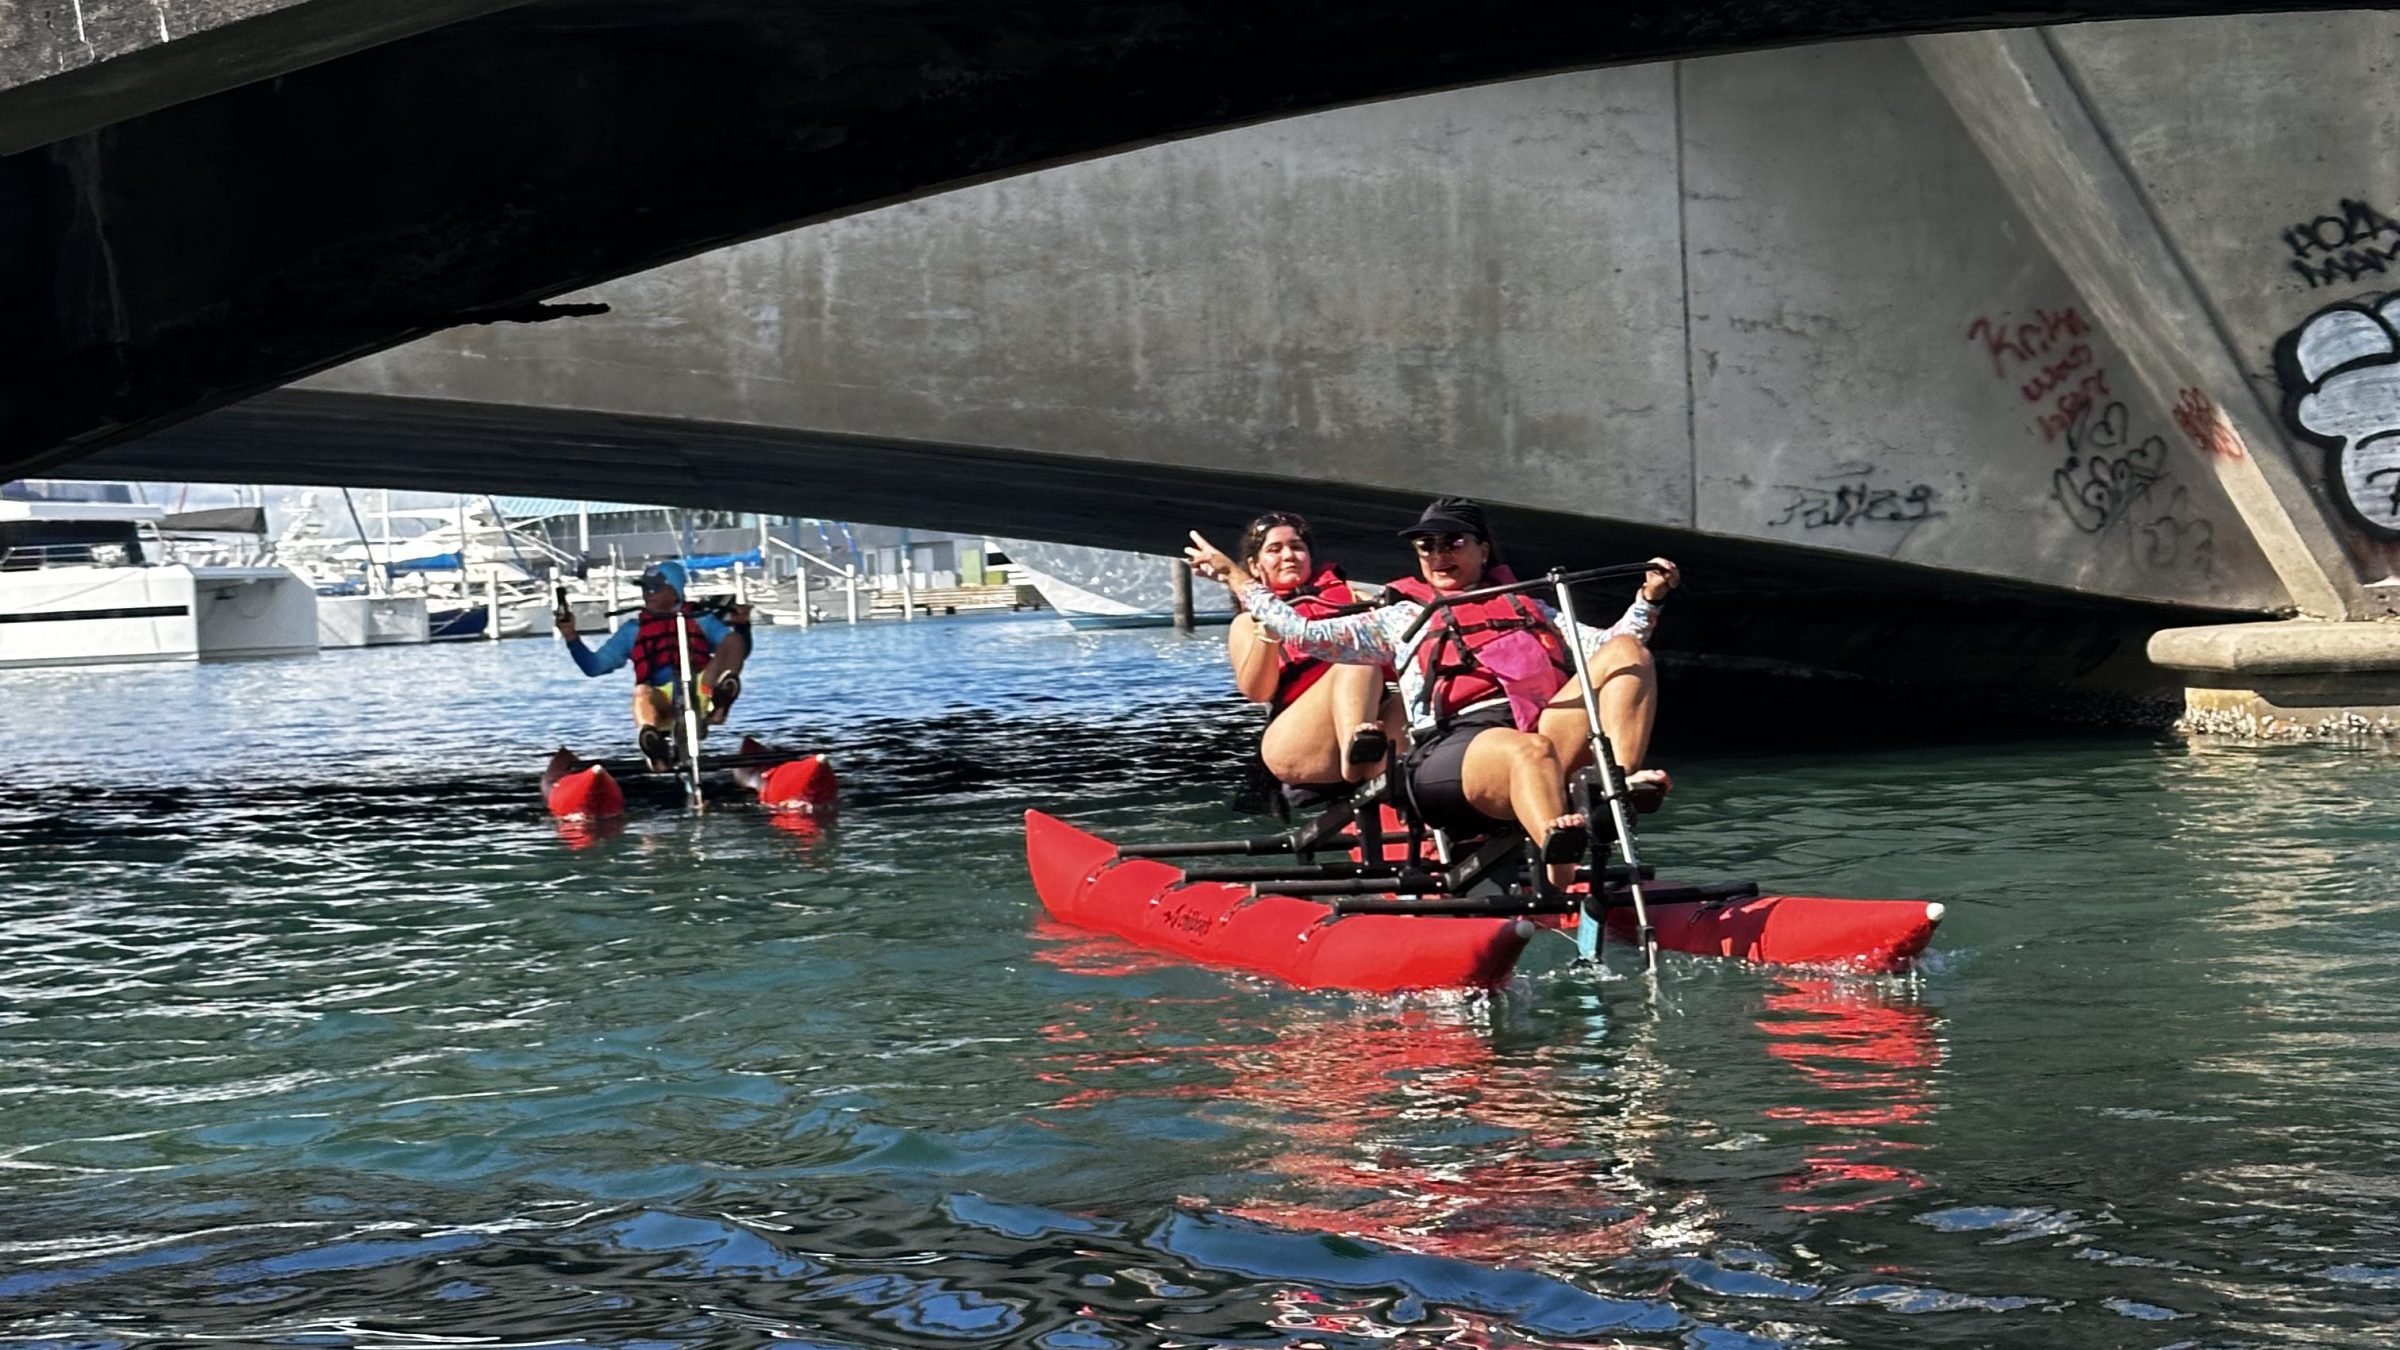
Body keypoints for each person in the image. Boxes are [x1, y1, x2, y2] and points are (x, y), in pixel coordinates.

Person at [1185, 495, 1676, 885]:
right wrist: (1237, 578)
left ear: (1483, 550)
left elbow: (1610, 645)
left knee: (1629, 653)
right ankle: (1559, 867)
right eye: (1428, 547)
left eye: (1452, 543)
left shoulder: (1529, 608)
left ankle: (1615, 786)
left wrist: (1647, 599)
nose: (1439, 555)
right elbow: (1305, 633)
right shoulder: (1401, 616)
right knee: (1531, 752)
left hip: (1534, 726)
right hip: (1452, 745)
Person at [1222, 511, 1399, 793]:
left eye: (1297, 547)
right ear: (1255, 567)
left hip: (1378, 721)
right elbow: (1257, 692)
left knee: (1413, 694)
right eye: (1275, 549)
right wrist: (1269, 633)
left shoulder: (1356, 600)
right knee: (1355, 659)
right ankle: (1356, 759)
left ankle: (1400, 780)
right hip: (1299, 741)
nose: (1289, 556)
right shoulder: (1248, 623)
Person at [557, 560, 751, 769]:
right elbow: (593, 667)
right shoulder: (632, 630)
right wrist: (570, 636)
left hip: (703, 689)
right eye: (645, 588)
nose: (648, 593)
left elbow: (738, 651)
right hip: (662, 703)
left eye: (655, 588)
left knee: (732, 640)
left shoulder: (702, 619)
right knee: (642, 692)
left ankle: (719, 706)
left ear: (675, 591)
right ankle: (653, 744)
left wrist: (742, 627)